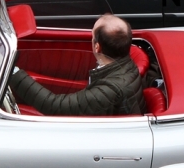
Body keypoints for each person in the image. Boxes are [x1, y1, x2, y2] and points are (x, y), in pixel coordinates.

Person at [8, 13, 144, 116]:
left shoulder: (108, 92)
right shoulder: (127, 65)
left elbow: (54, 106)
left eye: (92, 36)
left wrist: (12, 72)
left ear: (97, 47)